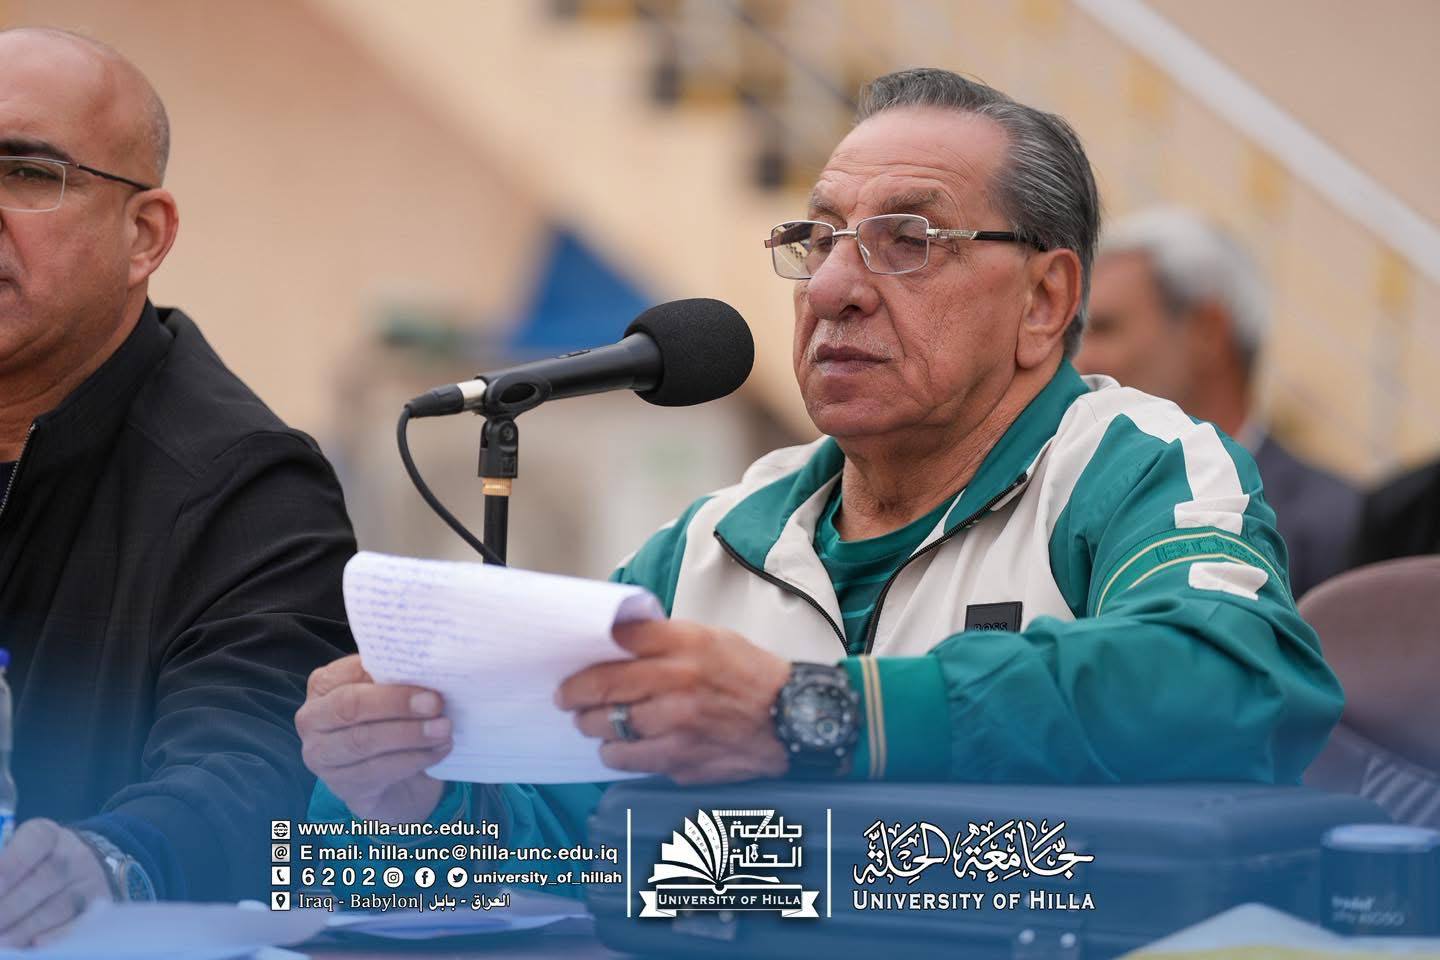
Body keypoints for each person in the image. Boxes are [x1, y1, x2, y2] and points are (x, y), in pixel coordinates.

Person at [297, 69, 1342, 884]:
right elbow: (568, 844)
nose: (834, 286)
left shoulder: (1136, 466)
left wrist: (817, 710)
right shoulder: (714, 540)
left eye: (907, 241)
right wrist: (403, 797)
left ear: (1044, 300)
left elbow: (1235, 685)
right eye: (817, 239)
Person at [0, 28, 355, 938]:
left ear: (144, 236)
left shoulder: (250, 488)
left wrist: (113, 865)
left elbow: (253, 767)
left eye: (27, 173)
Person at [1073, 207, 1361, 597]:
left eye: (1103, 329)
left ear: (1207, 332)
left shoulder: (1335, 525)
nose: (1078, 360)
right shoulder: (1067, 508)